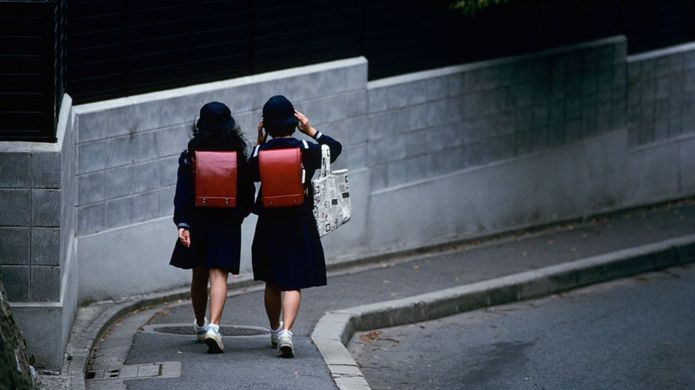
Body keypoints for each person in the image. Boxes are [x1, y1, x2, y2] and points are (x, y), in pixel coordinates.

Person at [249, 95, 342, 358]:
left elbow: (248, 174)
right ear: (293, 121)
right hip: (299, 220)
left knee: (272, 280)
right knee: (293, 281)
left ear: (266, 126)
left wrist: (259, 142)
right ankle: (288, 332)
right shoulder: (306, 149)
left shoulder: (260, 153)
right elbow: (334, 148)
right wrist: (311, 129)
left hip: (269, 222)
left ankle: (275, 330)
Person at [169, 101, 255, 354]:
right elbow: (248, 193)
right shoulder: (238, 157)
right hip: (227, 220)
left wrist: (182, 223)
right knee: (220, 274)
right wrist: (237, 216)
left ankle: (199, 324)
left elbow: (182, 192)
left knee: (199, 274)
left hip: (198, 219)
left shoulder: (190, 156)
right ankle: (214, 327)